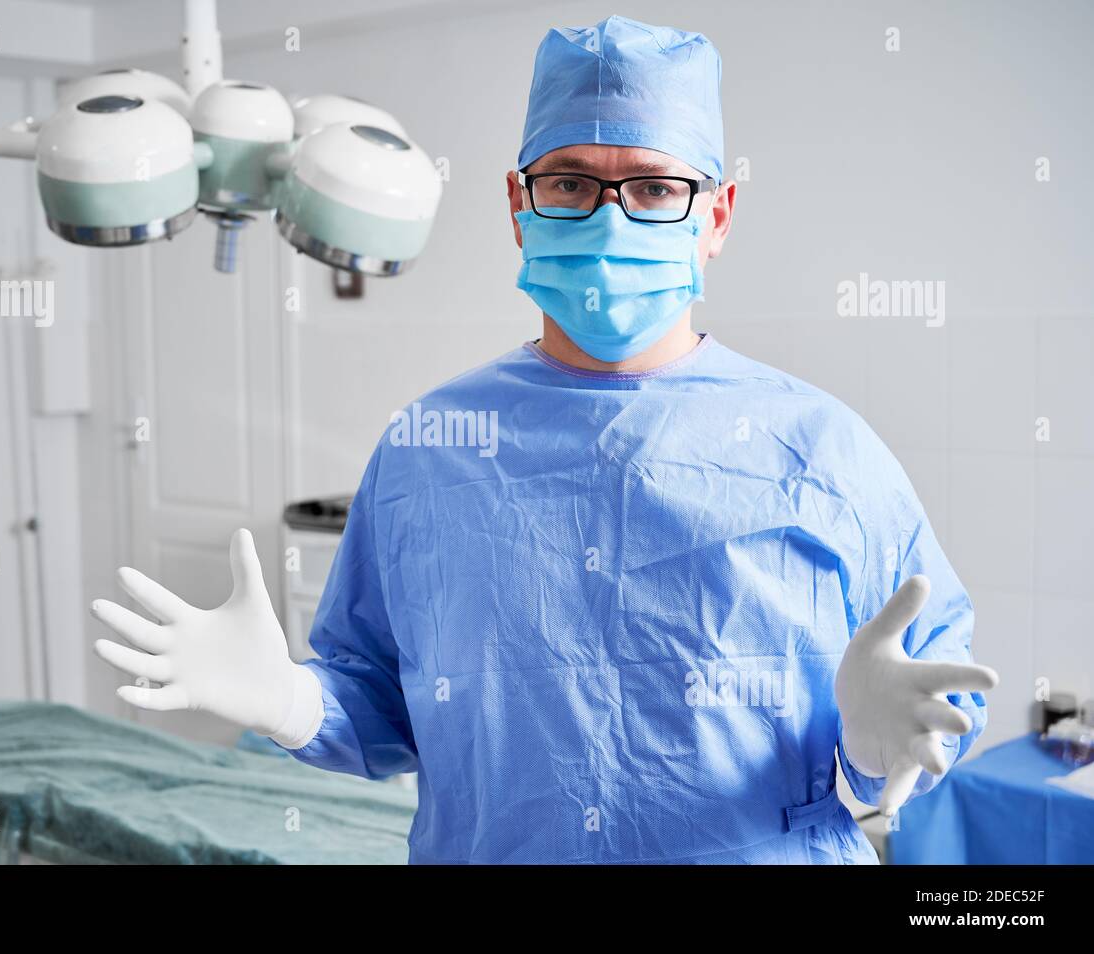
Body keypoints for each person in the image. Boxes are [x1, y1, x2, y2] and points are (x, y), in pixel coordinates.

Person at [91, 15, 997, 864]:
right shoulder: (430, 449)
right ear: (518, 205)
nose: (611, 218)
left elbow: (928, 697)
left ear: (715, 217)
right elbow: (380, 708)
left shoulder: (823, 450)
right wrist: (292, 700)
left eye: (652, 187)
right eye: (570, 183)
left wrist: (875, 746)